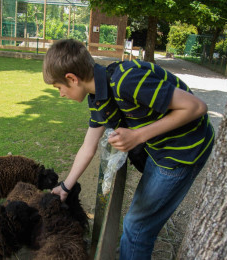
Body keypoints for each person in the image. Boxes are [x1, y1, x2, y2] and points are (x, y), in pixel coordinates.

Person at [44, 39, 214, 260]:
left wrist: (138, 135)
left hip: (182, 151)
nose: (61, 94)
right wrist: (65, 186)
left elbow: (197, 107)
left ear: (72, 79)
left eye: (59, 88)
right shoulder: (99, 98)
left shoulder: (127, 80)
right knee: (138, 225)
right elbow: (88, 146)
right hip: (160, 148)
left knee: (137, 227)